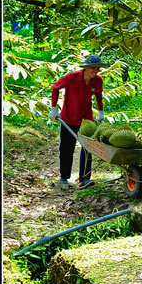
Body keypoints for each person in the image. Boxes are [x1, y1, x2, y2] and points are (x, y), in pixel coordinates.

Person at [50, 54, 106, 188]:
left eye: (97, 68)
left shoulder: (98, 81)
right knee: (66, 148)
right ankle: (64, 178)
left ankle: (84, 179)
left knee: (88, 147)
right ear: (85, 68)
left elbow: (98, 94)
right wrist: (53, 108)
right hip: (68, 116)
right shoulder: (72, 77)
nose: (95, 71)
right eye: (92, 68)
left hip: (86, 118)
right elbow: (55, 88)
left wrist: (101, 111)